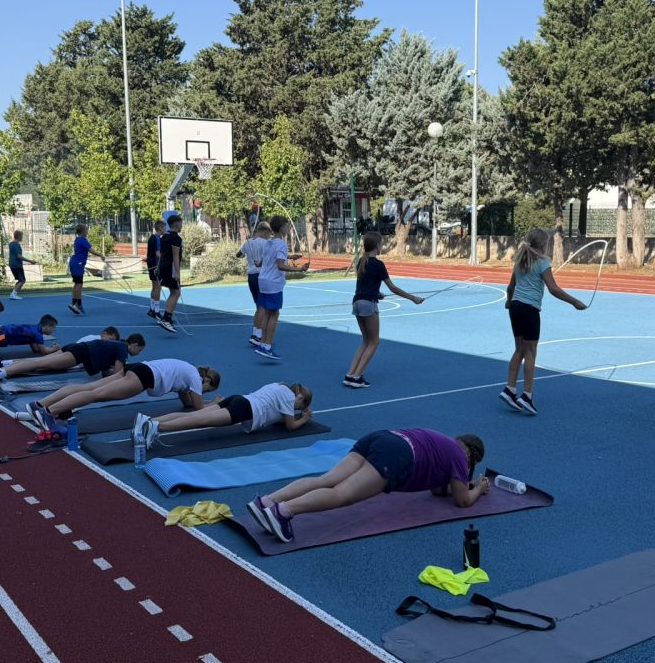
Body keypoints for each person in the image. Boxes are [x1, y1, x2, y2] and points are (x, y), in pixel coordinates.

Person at [246, 429, 488, 544]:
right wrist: (478, 487)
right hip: (398, 456)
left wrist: (460, 484)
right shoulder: (459, 456)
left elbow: (437, 490)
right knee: (342, 495)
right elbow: (463, 501)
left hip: (383, 438)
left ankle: (268, 501)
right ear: (471, 458)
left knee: (327, 480)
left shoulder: (444, 443)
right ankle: (283, 512)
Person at [499, 227, 587, 416]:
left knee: (519, 350)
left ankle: (510, 389)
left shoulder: (520, 261)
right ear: (544, 245)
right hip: (529, 309)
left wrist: (509, 302)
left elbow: (510, 287)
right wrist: (574, 302)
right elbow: (553, 289)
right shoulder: (543, 262)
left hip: (515, 308)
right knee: (530, 352)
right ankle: (527, 396)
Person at [31, 358, 221, 428]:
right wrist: (214, 404)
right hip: (144, 376)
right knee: (97, 395)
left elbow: (187, 403)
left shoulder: (187, 370)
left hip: (139, 367)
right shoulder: (195, 378)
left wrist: (196, 400)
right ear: (206, 380)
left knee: (90, 388)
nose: (203, 392)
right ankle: (48, 412)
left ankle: (41, 404)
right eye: (207, 390)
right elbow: (197, 408)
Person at [133, 381, 313, 454]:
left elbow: (277, 416)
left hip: (238, 399)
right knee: (199, 421)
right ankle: (157, 428)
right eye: (301, 406)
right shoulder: (289, 398)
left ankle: (148, 420)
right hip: (245, 409)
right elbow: (290, 426)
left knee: (195, 415)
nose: (297, 409)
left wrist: (295, 413)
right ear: (301, 399)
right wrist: (304, 419)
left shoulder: (279, 386)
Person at [344, 231, 422, 388]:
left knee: (365, 341)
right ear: (377, 246)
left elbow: (365, 284)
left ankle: (350, 375)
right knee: (374, 342)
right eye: (381, 243)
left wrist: (377, 293)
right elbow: (392, 287)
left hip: (357, 303)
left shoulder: (361, 261)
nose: (382, 246)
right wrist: (413, 298)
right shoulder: (378, 265)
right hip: (368, 305)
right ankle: (358, 377)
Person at [0, 333, 145, 390]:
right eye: (140, 350)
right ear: (135, 345)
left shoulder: (118, 345)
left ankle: (5, 365)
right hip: (80, 353)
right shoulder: (123, 349)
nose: (138, 353)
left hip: (78, 348)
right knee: (41, 364)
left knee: (40, 361)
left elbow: (105, 373)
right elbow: (118, 375)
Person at [253, 214, 310, 360]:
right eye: (287, 226)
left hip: (263, 280)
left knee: (267, 313)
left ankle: (263, 343)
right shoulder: (282, 244)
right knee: (274, 314)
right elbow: (280, 265)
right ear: (283, 228)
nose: (289, 228)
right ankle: (267, 346)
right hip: (273, 283)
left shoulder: (268, 243)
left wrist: (290, 257)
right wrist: (300, 269)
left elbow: (260, 263)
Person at [239, 220, 273, 347]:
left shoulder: (248, 243)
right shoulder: (266, 243)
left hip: (251, 276)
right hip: (261, 276)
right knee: (263, 307)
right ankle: (257, 335)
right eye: (269, 233)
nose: (269, 236)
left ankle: (256, 332)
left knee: (259, 307)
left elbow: (238, 255)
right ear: (264, 231)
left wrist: (248, 248)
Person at [68, 224, 107, 316]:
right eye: (86, 230)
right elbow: (91, 250)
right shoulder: (82, 240)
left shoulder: (77, 239)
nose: (87, 231)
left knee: (77, 283)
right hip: (78, 264)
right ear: (83, 231)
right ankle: (76, 304)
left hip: (74, 263)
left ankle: (76, 303)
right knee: (78, 284)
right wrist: (101, 255)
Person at [155, 213, 183, 333]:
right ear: (177, 224)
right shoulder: (176, 238)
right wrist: (177, 272)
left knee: (173, 292)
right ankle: (166, 319)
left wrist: (158, 266)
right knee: (176, 293)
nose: (182, 226)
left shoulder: (164, 237)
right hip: (170, 268)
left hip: (163, 267)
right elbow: (175, 256)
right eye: (181, 223)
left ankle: (167, 318)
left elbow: (161, 254)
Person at [145, 217, 167, 320]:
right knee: (158, 287)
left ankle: (152, 308)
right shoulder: (158, 238)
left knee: (154, 286)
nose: (165, 230)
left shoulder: (151, 238)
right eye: (164, 228)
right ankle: (157, 311)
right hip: (155, 264)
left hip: (150, 263)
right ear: (160, 228)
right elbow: (158, 253)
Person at [8, 231, 34, 300]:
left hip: (12, 264)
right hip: (17, 265)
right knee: (22, 280)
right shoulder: (16, 245)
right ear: (19, 236)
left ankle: (14, 293)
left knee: (20, 280)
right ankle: (13, 294)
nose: (22, 237)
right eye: (21, 236)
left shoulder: (11, 244)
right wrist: (30, 261)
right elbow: (19, 256)